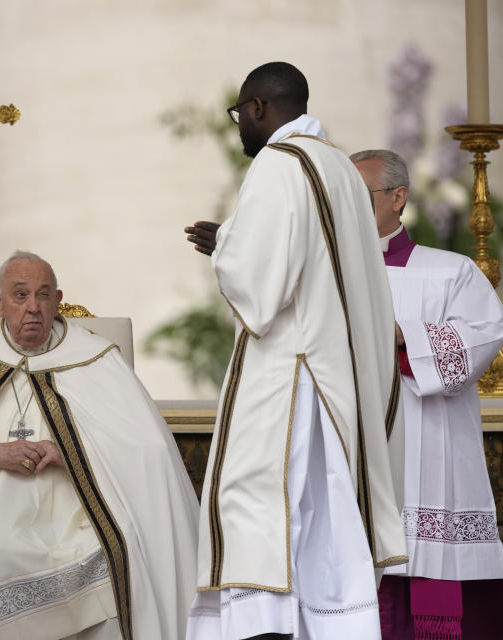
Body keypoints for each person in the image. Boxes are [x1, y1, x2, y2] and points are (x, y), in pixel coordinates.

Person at [183, 62, 407, 640]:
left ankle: (265, 628)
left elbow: (262, 287)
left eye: (239, 114)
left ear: (259, 107)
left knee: (257, 507)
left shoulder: (280, 165)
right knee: (321, 521)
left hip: (290, 379)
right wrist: (233, 237)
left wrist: (225, 245)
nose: (239, 128)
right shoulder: (338, 164)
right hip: (338, 379)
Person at [0, 251, 201, 639]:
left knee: (113, 556)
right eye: (20, 296)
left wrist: (70, 450)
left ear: (58, 301)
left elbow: (147, 448)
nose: (33, 308)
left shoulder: (94, 357)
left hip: (79, 502)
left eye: (43, 295)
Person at [351, 148, 503, 640]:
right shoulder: (325, 273)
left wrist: (403, 337)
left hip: (427, 443)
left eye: (362, 192)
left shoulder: (449, 271)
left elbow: (481, 338)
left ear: (398, 198)